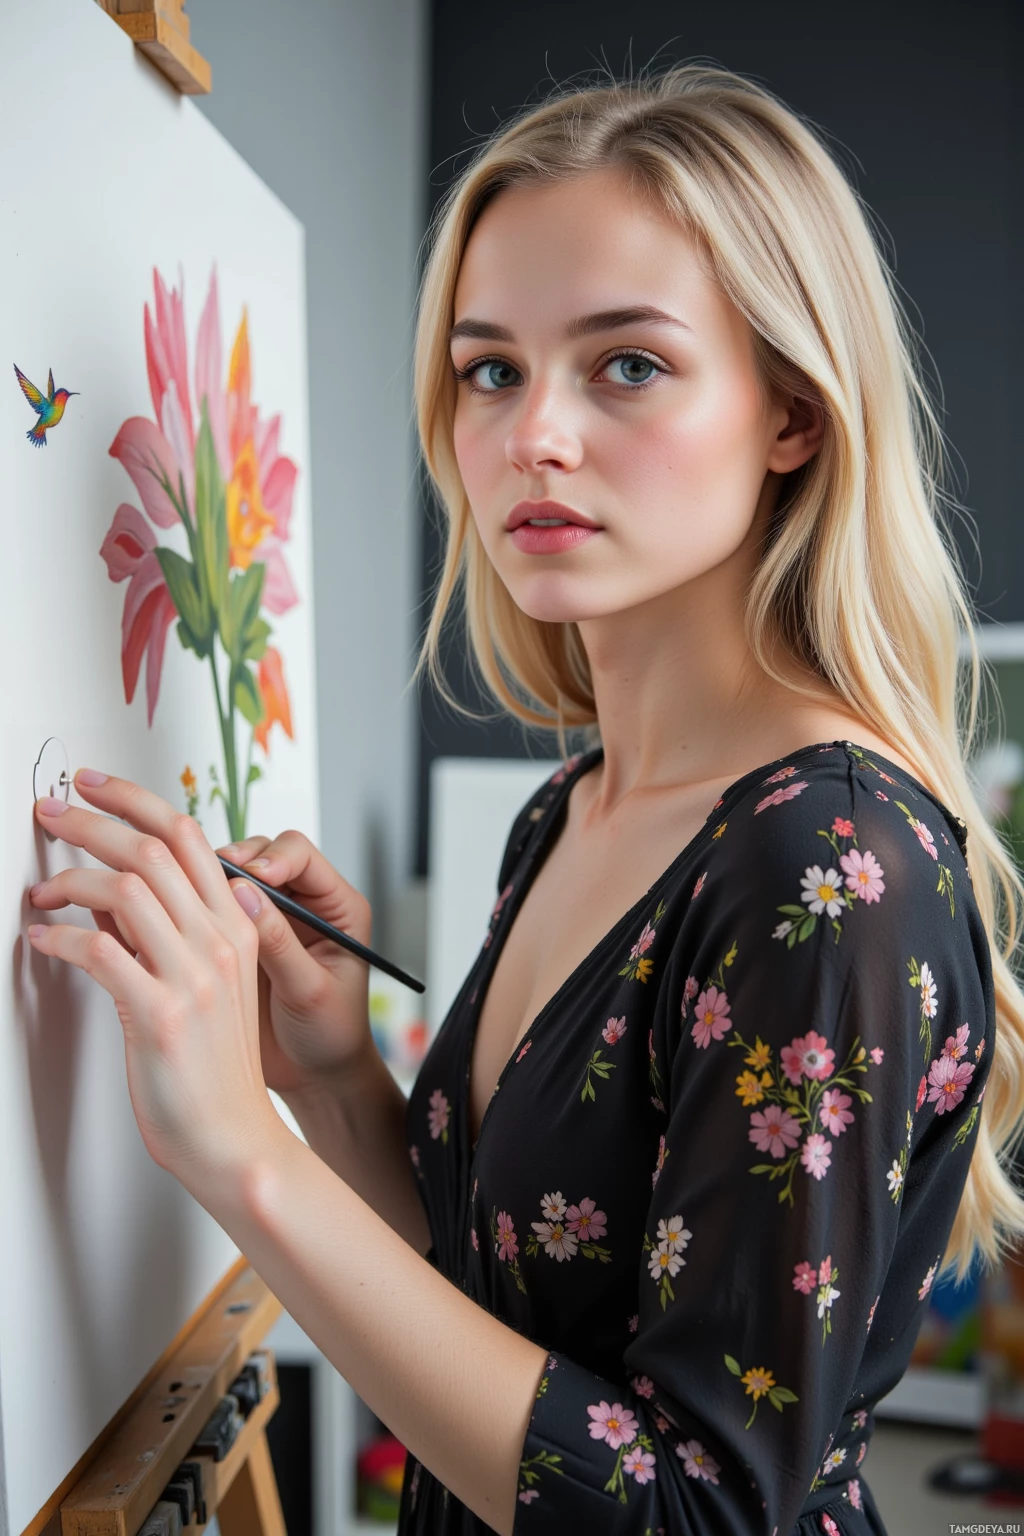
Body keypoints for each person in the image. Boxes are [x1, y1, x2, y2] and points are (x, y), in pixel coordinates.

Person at [26, 62, 1024, 1536]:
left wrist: (240, 1154)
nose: (532, 434)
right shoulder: (566, 810)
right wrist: (331, 1081)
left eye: (628, 365)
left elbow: (699, 1515)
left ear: (794, 415)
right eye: (490, 370)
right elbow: (492, 1313)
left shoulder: (825, 864)